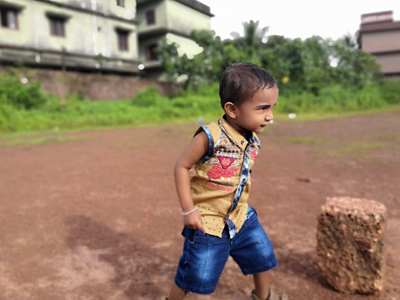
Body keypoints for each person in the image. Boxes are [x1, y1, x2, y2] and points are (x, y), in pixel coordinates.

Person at [167, 62, 284, 300]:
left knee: (262, 257)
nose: (270, 116)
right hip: (208, 223)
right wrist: (189, 210)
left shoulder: (250, 136)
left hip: (241, 216)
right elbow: (182, 166)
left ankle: (264, 297)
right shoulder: (210, 136)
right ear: (232, 109)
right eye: (262, 108)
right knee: (196, 277)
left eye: (272, 107)